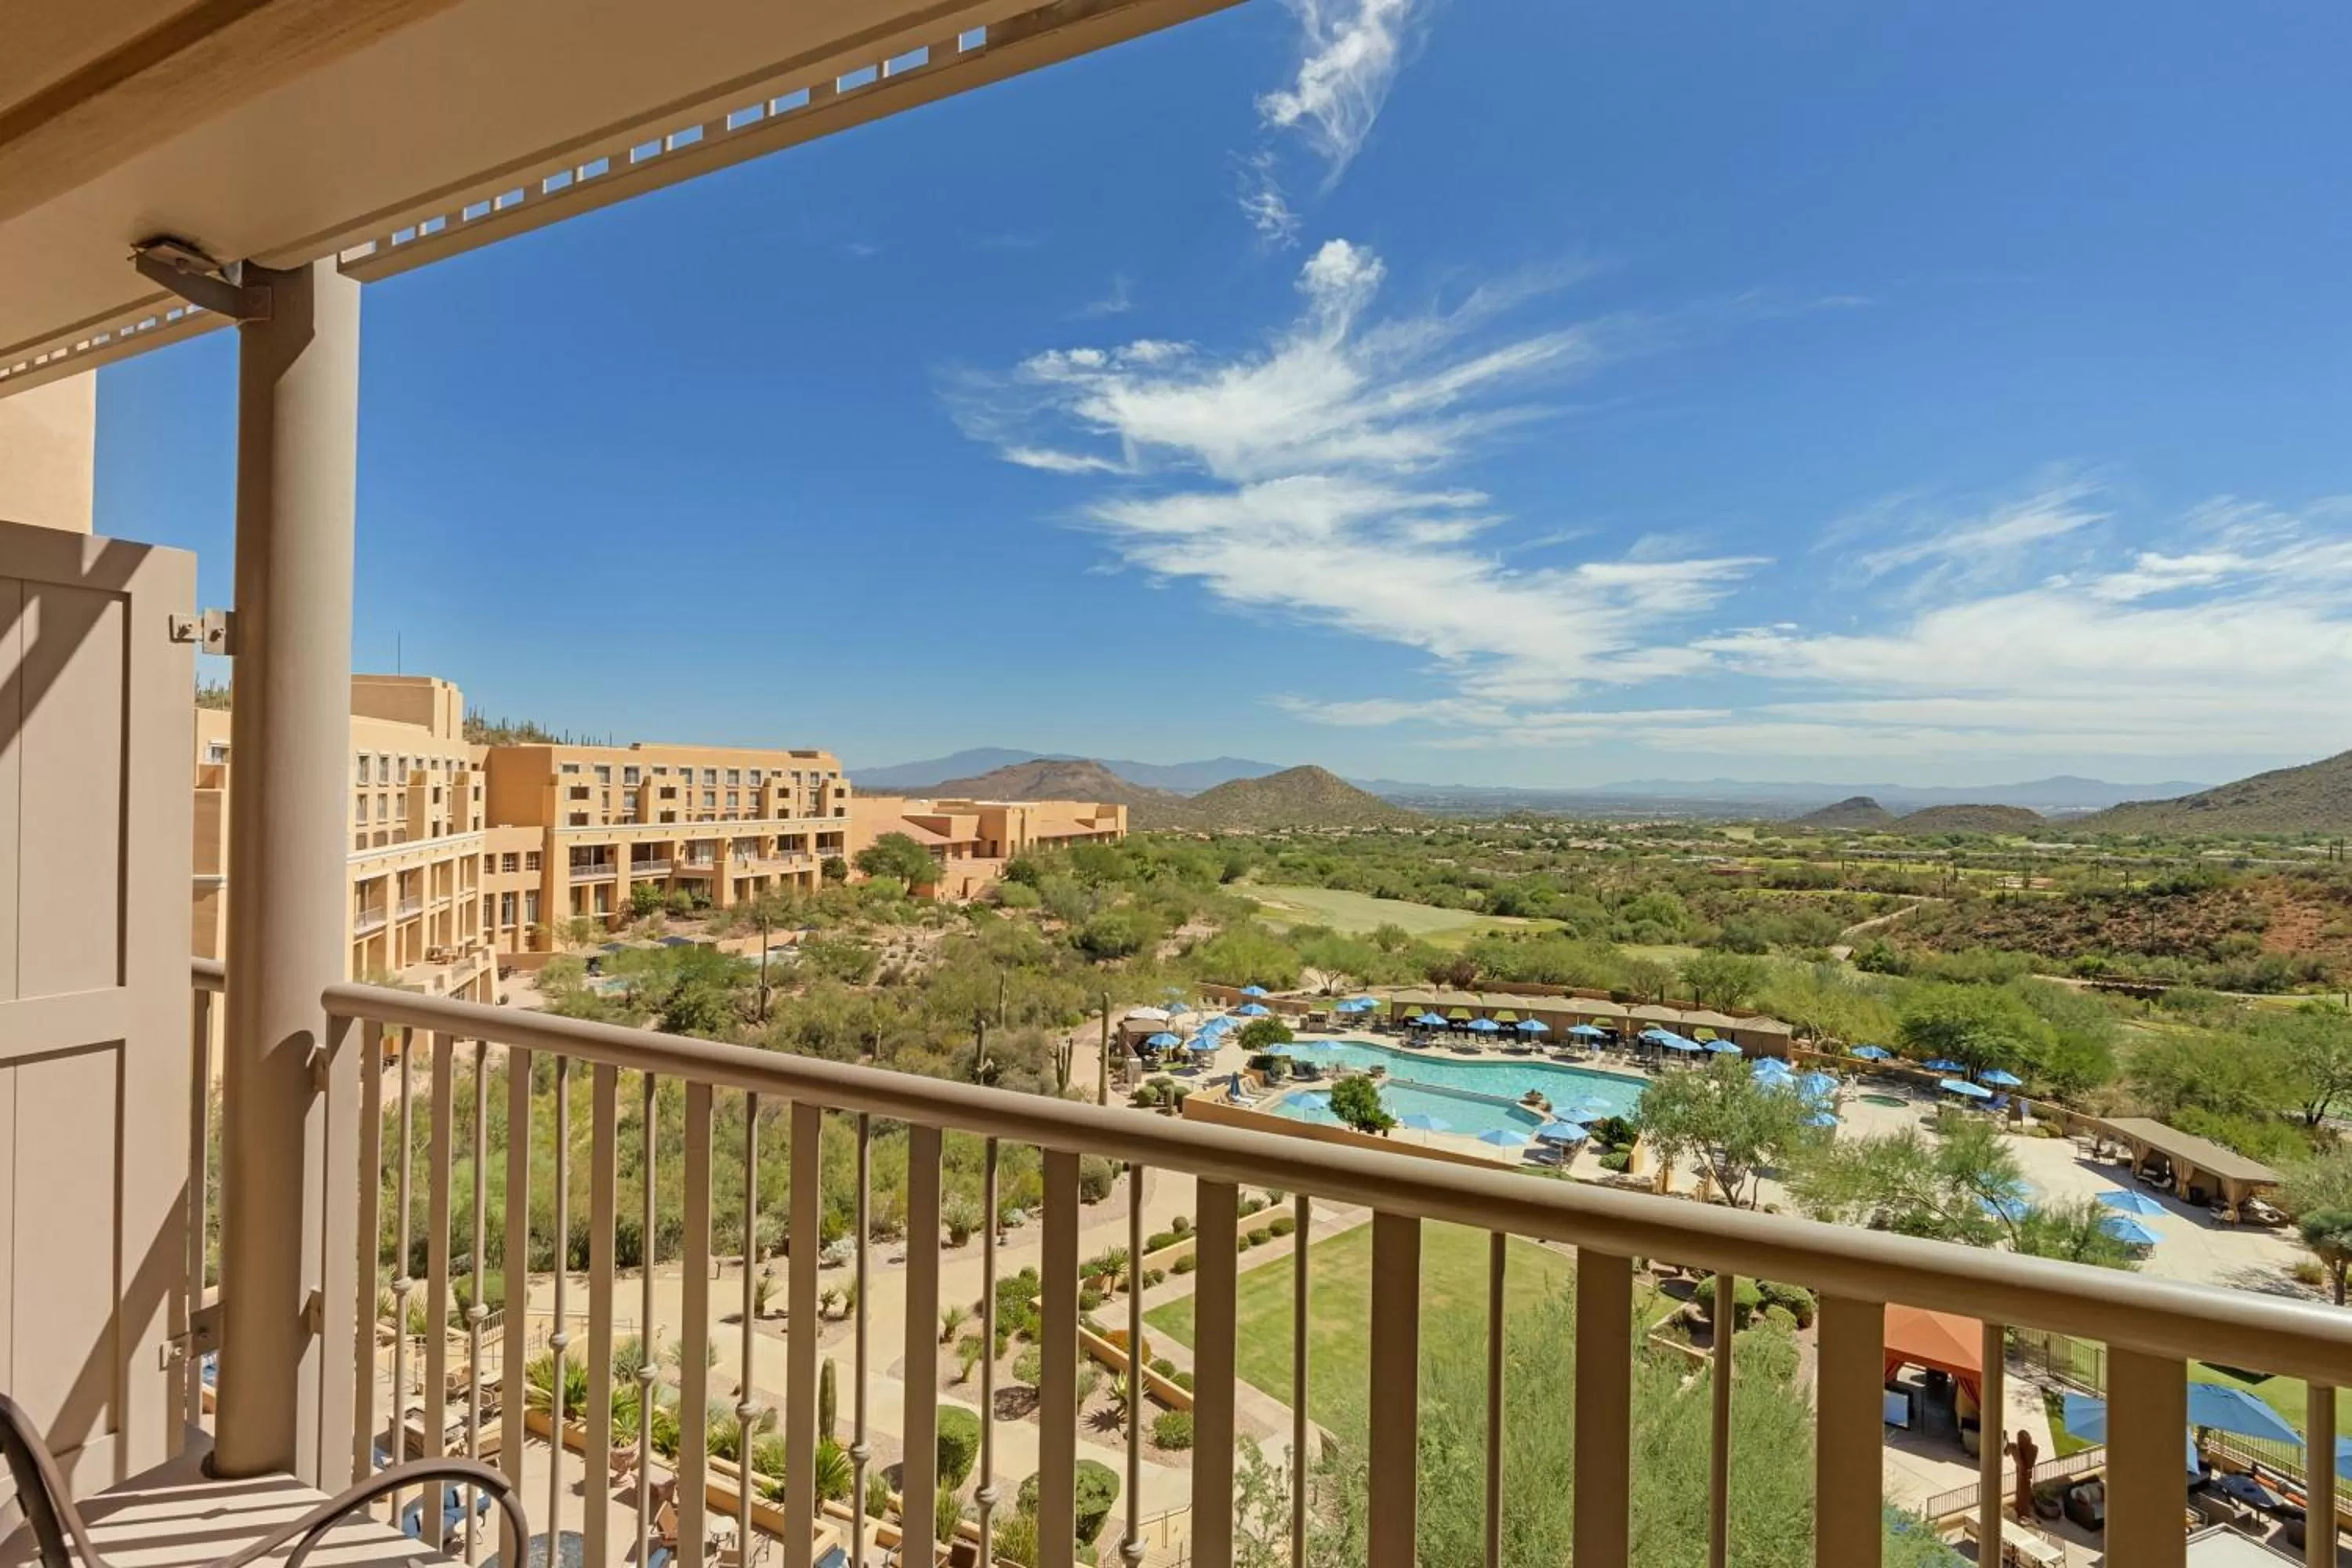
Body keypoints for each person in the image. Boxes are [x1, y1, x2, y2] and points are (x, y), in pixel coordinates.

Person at [2007, 1428, 2039, 1520]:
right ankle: (2020, 1512)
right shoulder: (2029, 1449)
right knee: (2020, 1494)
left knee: (2023, 1494)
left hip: (2024, 1475)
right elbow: (2007, 1452)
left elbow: (2023, 1466)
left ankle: (2022, 1513)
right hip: (2023, 1474)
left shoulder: (2032, 1450)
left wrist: (2014, 1451)